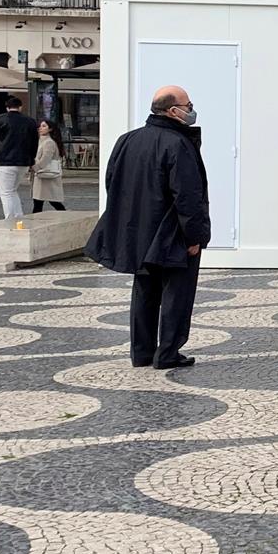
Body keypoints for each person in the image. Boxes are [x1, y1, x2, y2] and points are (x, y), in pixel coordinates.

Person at [86, 86, 209, 369]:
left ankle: (141, 352)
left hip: (139, 230)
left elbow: (112, 182)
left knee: (144, 291)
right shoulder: (178, 144)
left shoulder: (127, 140)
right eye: (188, 105)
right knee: (176, 294)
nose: (191, 110)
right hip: (172, 232)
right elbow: (188, 196)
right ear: (173, 111)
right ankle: (168, 353)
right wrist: (195, 236)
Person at [0, 95, 40, 221]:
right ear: (20, 107)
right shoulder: (30, 121)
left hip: (5, 160)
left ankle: (9, 219)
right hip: (23, 161)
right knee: (13, 190)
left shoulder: (0, 119)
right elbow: (34, 143)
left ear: (7, 107)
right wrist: (31, 159)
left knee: (6, 193)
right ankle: (19, 217)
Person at [31, 119, 67, 212]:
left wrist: (34, 167)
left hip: (46, 174)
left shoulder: (49, 142)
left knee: (49, 201)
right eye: (40, 126)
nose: (40, 128)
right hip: (43, 175)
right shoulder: (42, 141)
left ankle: (64, 215)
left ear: (50, 129)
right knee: (41, 201)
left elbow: (45, 159)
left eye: (44, 126)